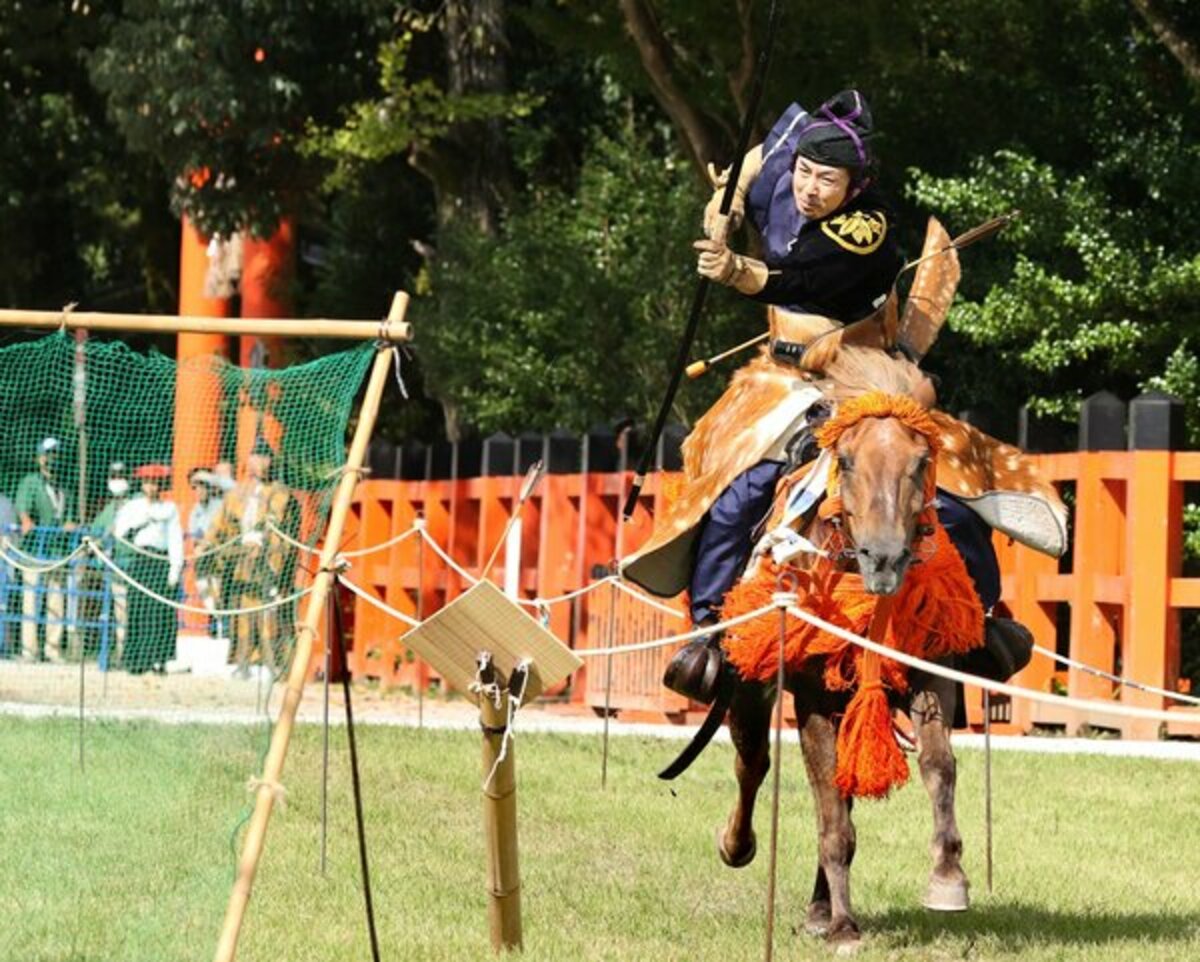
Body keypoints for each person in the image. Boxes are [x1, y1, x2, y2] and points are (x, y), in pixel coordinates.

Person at [632, 91, 1031, 702]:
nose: (811, 189)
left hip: (867, 374)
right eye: (806, 173)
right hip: (782, 377)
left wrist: (739, 270)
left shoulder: (865, 226)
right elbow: (763, 154)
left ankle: (978, 622)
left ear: (854, 184)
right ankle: (711, 629)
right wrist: (728, 201)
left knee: (945, 487)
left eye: (828, 179)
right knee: (736, 489)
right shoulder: (793, 167)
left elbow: (804, 276)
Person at [197, 438, 295, 673]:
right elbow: (220, 524)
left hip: (268, 561)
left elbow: (281, 527)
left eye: (264, 458)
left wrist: (266, 545)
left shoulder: (280, 493)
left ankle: (270, 662)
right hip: (240, 561)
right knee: (241, 613)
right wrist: (207, 544)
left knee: (268, 613)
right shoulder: (238, 492)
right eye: (255, 458)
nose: (259, 463)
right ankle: (243, 661)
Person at [113, 464, 184, 673]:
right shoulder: (133, 507)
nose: (151, 487)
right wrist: (140, 523)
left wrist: (174, 568)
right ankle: (136, 660)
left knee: (159, 612)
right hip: (141, 560)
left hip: (160, 561)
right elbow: (120, 532)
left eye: (155, 483)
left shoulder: (169, 508)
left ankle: (158, 659)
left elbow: (175, 539)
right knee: (137, 610)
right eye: (147, 482)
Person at [14, 437, 74, 662]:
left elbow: (66, 518)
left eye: (55, 454)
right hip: (33, 552)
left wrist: (70, 526)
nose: (51, 459)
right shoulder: (31, 482)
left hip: (56, 552)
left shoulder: (63, 488)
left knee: (56, 600)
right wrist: (25, 518)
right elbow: (23, 507)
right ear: (39, 457)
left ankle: (53, 648)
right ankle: (29, 650)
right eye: (47, 454)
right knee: (31, 599)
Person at [91, 461, 133, 665]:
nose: (118, 480)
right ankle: (121, 652)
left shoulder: (136, 503)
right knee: (119, 613)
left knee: (132, 612)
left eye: (121, 475)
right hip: (115, 569)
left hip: (135, 566)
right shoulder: (108, 509)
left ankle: (131, 652)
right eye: (114, 475)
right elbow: (95, 531)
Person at [186, 467, 226, 637]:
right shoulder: (195, 511)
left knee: (219, 591)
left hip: (220, 557)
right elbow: (194, 536)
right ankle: (216, 624)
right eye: (196, 487)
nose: (200, 491)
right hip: (203, 559)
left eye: (203, 486)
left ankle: (223, 628)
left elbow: (221, 531)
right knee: (204, 590)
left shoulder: (219, 506)